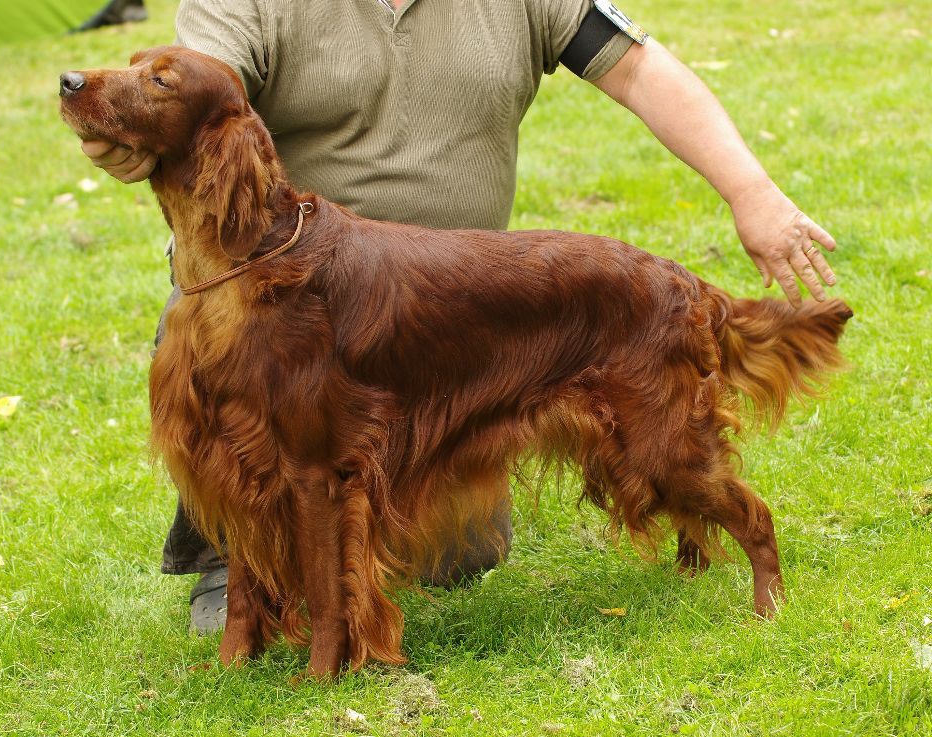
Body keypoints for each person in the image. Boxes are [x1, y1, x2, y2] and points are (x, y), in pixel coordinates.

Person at [79, 0, 839, 634]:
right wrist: (130, 130)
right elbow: (194, 88)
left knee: (455, 558)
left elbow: (642, 71)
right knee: (232, 378)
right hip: (286, 301)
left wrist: (754, 193)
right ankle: (233, 563)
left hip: (454, 334)